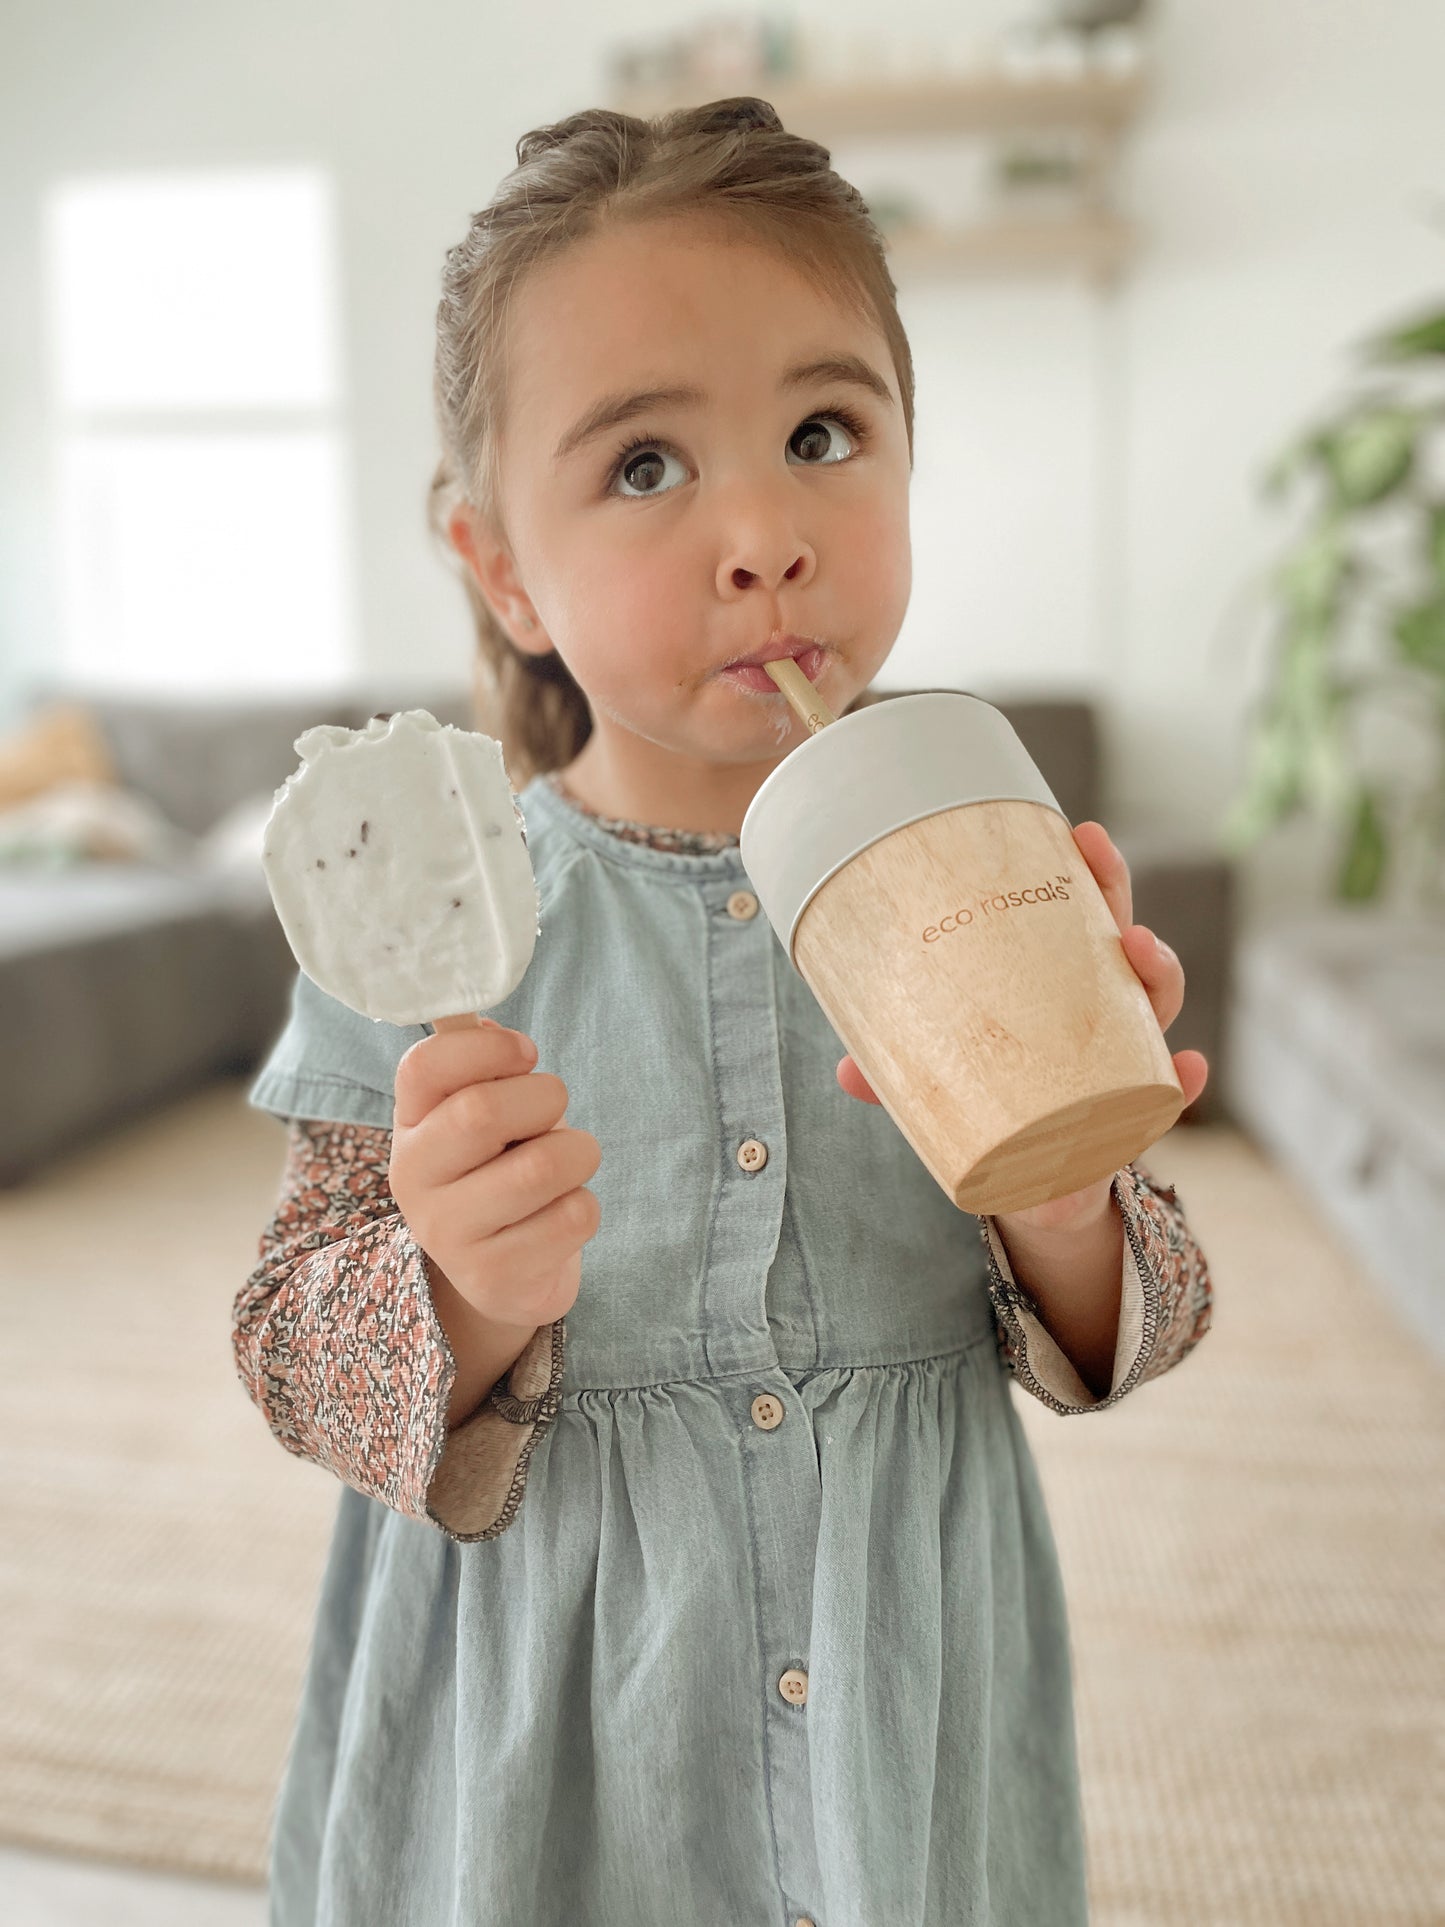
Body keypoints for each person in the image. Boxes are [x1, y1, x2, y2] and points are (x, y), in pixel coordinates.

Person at [234, 97, 1214, 1927]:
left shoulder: (985, 873)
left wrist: (1065, 1189)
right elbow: (291, 1347)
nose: (763, 531)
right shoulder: (437, 921)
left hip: (895, 1692)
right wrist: (447, 1285)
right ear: (501, 568)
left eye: (822, 434)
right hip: (543, 1710)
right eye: (643, 468)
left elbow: (1131, 1329)